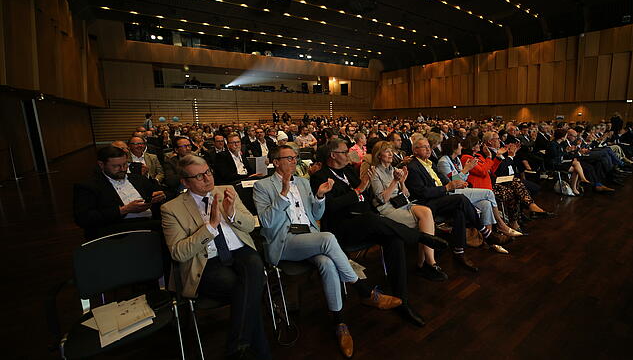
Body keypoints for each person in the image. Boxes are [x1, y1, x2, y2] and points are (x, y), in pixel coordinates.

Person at [254, 145, 402, 358]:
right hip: (284, 241)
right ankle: (364, 291)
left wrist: (320, 197)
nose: (294, 162)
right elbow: (267, 223)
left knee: (327, 263)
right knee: (328, 238)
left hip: (309, 236)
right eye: (289, 158)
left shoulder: (304, 182)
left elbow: (316, 214)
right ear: (276, 162)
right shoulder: (263, 186)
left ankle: (339, 322)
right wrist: (284, 193)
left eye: (296, 158)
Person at [310, 139, 449, 327]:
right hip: (342, 229)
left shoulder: (349, 172)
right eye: (344, 152)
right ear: (333, 155)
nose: (349, 156)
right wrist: (359, 190)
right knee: (374, 219)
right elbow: (330, 207)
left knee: (394, 239)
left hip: (366, 221)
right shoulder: (321, 176)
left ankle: (402, 301)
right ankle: (420, 237)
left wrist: (363, 193)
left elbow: (367, 199)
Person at [161, 155, 271, 360]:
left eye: (208, 172)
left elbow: (249, 225)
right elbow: (178, 252)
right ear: (185, 182)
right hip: (206, 261)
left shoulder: (226, 190)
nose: (207, 179)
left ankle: (238, 348)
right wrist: (210, 227)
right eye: (199, 176)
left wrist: (231, 215)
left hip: (239, 251)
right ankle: (254, 351)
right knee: (244, 289)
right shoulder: (171, 208)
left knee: (255, 265)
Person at [406, 137, 508, 265]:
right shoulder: (413, 166)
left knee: (459, 209)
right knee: (461, 199)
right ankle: (485, 231)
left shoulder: (430, 162)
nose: (428, 149)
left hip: (443, 197)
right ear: (415, 151)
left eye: (429, 146)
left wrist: (452, 184)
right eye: (424, 147)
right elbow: (422, 193)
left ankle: (459, 252)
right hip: (426, 204)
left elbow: (445, 181)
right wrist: (447, 187)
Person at [369, 141, 447, 281]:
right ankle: (428, 263)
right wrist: (394, 182)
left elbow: (406, 194)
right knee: (424, 223)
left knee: (426, 212)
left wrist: (402, 181)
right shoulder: (375, 172)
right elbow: (382, 199)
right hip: (386, 209)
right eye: (387, 151)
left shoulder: (392, 169)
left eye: (391, 151)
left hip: (402, 203)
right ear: (378, 155)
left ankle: (424, 263)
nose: (391, 154)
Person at [74, 146, 166, 240]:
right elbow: (84, 219)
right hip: (117, 230)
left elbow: (156, 195)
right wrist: (124, 210)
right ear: (101, 165)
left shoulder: (138, 179)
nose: (122, 169)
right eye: (116, 166)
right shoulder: (89, 186)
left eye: (125, 164)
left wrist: (159, 197)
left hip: (151, 222)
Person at [437, 137, 522, 239]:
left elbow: (465, 177)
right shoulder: (444, 161)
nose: (461, 147)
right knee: (489, 193)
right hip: (452, 193)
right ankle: (501, 224)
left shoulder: (456, 159)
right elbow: (451, 182)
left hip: (463, 188)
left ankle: (489, 239)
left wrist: (464, 174)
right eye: (459, 145)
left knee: (486, 204)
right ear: (453, 147)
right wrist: (466, 170)